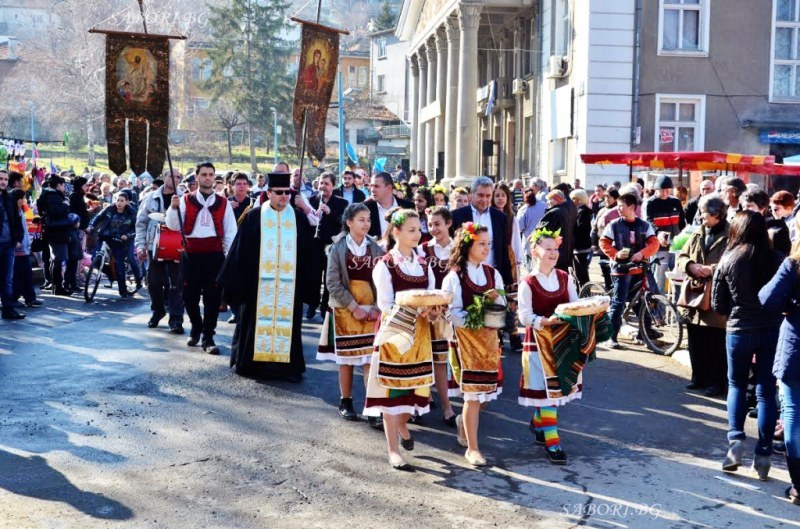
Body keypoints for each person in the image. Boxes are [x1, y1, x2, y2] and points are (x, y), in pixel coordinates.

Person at [518, 227, 604, 465]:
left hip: (562, 340)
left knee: (554, 392)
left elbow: (574, 305)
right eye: (548, 249)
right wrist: (542, 321)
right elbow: (523, 315)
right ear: (535, 252)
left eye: (555, 249)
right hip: (538, 342)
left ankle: (539, 423)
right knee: (548, 395)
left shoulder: (565, 278)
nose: (553, 253)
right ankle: (552, 442)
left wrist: (590, 311)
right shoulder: (528, 282)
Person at [363, 208, 439, 471]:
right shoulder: (385, 264)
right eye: (411, 230)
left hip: (420, 336)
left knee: (416, 392)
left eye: (418, 229)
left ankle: (403, 425)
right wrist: (414, 308)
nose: (417, 234)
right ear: (396, 232)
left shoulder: (423, 263)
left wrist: (433, 310)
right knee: (391, 392)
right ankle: (393, 450)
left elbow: (430, 294)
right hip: (395, 334)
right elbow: (385, 304)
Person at [218, 172, 310, 381]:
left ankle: (286, 367)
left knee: (288, 325)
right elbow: (240, 253)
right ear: (268, 193)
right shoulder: (254, 216)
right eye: (279, 193)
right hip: (258, 286)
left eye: (287, 192)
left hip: (288, 286)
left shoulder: (298, 218)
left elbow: (306, 254)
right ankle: (253, 365)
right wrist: (235, 287)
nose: (284, 197)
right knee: (254, 323)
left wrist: (306, 282)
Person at [711, 210, 782, 480]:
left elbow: (719, 304)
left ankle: (735, 442)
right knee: (765, 391)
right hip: (771, 329)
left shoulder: (729, 258)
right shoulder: (777, 258)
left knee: (737, 385)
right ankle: (763, 454)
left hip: (740, 328)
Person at [442, 223, 505, 467]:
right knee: (473, 396)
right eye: (482, 243)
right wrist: (476, 317)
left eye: (488, 244)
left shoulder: (492, 273)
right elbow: (451, 313)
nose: (487, 248)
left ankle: (462, 423)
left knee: (486, 395)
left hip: (489, 342)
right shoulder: (455, 276)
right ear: (468, 244)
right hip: (465, 342)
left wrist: (493, 314)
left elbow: (498, 305)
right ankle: (472, 448)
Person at [317, 203, 383, 423]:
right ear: (349, 222)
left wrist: (376, 308)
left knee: (369, 361)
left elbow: (383, 280)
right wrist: (353, 307)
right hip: (345, 310)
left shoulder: (375, 248)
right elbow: (332, 283)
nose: (366, 223)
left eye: (368, 219)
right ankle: (346, 400)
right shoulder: (337, 248)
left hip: (370, 309)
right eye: (361, 219)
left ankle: (372, 407)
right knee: (346, 360)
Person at [166, 162, 237, 355]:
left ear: (214, 178)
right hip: (190, 255)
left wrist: (230, 259)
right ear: (197, 177)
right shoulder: (186, 200)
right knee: (189, 296)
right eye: (204, 174)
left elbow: (231, 232)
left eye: (211, 174)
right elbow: (173, 226)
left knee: (213, 299)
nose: (207, 178)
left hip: (214, 256)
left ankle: (208, 337)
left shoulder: (223, 203)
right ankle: (196, 327)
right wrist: (173, 208)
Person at [758, 243, 800, 505]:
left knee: (794, 413)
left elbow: (767, 298)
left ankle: (799, 485)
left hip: (797, 346)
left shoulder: (794, 265)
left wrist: (791, 302)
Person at [676, 195, 729, 397]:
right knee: (695, 339)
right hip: (695, 295)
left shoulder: (730, 233)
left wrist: (710, 269)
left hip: (716, 295)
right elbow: (682, 255)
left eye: (704, 212)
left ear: (716, 214)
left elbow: (732, 262)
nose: (700, 216)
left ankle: (716, 382)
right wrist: (691, 266)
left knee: (715, 342)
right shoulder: (698, 231)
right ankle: (697, 377)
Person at [599, 193, 660, 348]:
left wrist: (642, 253)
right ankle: (611, 337)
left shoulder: (645, 225)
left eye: (621, 206)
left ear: (632, 207)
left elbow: (654, 244)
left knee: (642, 302)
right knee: (618, 303)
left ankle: (644, 333)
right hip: (621, 269)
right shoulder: (613, 224)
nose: (618, 209)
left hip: (639, 269)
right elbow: (603, 242)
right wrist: (615, 254)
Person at [417, 206, 457, 426]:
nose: (433, 229)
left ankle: (447, 406)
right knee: (424, 357)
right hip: (428, 311)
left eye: (437, 224)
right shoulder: (423, 249)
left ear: (449, 223)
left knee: (442, 360)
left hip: (450, 311)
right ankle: (424, 399)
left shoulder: (458, 249)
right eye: (430, 224)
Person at [135, 169, 185, 333]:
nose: (176, 179)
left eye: (178, 176)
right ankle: (158, 310)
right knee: (154, 282)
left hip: (177, 247)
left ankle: (176, 319)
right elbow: (141, 223)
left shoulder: (184, 198)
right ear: (163, 178)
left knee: (176, 284)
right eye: (172, 175)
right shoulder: (151, 198)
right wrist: (141, 245)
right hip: (154, 246)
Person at [451, 176, 513, 286]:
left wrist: (508, 282)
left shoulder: (500, 218)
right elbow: (453, 248)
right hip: (465, 275)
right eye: (480, 195)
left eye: (488, 196)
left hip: (492, 275)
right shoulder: (457, 216)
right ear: (471, 194)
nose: (484, 199)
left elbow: (503, 251)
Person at [307, 173, 348, 320]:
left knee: (328, 277)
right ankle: (312, 304)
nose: (323, 186)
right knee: (313, 276)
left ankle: (325, 306)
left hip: (331, 244)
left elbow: (344, 222)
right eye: (321, 183)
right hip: (315, 244)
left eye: (326, 184)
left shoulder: (341, 203)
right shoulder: (312, 200)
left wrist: (330, 212)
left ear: (333, 186)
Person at [88, 192, 140, 298]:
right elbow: (98, 217)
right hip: (104, 236)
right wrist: (91, 225)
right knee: (94, 259)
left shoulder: (132, 212)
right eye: (117, 200)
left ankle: (123, 291)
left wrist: (127, 235)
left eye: (122, 201)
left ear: (127, 202)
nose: (119, 203)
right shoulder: (109, 208)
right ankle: (111, 274)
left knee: (119, 266)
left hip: (119, 240)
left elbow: (136, 228)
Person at [644, 175, 686, 294]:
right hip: (659, 247)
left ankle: (678, 308)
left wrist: (684, 238)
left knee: (679, 277)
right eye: (662, 190)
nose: (665, 192)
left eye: (668, 190)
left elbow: (682, 222)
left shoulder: (676, 202)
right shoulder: (650, 203)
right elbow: (649, 222)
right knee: (659, 279)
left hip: (676, 245)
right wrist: (658, 233)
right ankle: (658, 310)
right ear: (656, 189)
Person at [37, 174, 72, 296]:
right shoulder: (54, 196)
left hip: (53, 231)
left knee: (55, 260)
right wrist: (65, 205)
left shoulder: (47, 194)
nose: (64, 188)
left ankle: (56, 285)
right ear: (59, 185)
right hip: (57, 232)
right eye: (63, 185)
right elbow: (55, 212)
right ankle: (58, 287)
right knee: (57, 260)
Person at [9, 188, 42, 309]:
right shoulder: (12, 211)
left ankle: (30, 298)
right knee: (18, 275)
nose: (25, 200)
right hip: (18, 249)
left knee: (27, 274)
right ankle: (14, 297)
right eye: (23, 198)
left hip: (24, 248)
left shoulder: (20, 210)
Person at [0, 171, 25, 319]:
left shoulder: (9, 198)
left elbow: (16, 220)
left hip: (8, 244)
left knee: (7, 278)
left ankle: (8, 309)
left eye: (5, 179)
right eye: (0, 179)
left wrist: (18, 238)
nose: (3, 182)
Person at [363, 172, 413, 238]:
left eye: (376, 186)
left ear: (389, 188)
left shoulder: (408, 207)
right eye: (371, 186)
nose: (372, 190)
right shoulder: (364, 208)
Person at [743, 189, 792, 256]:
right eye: (743, 207)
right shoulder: (742, 227)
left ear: (762, 208)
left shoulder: (777, 231)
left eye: (749, 206)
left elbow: (781, 260)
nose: (745, 210)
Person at [536, 190, 573, 272]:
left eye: (549, 199)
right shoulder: (565, 211)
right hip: (565, 253)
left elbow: (542, 231)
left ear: (555, 200)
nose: (548, 202)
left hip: (554, 253)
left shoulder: (554, 213)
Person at [517, 186, 547, 272]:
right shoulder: (544, 205)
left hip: (529, 243)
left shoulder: (523, 209)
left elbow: (519, 227)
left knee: (531, 272)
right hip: (544, 242)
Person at [570, 189, 593, 286]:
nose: (571, 201)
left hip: (581, 247)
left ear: (579, 199)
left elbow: (581, 228)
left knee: (581, 273)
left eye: (573, 199)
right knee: (579, 272)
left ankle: (585, 293)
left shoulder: (582, 211)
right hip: (580, 246)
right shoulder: (580, 210)